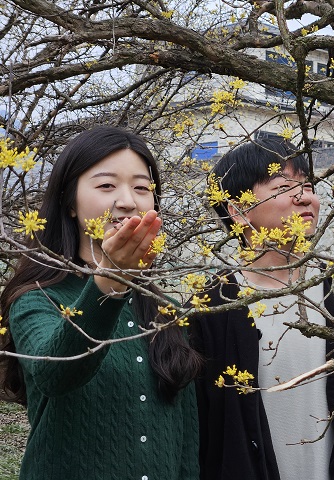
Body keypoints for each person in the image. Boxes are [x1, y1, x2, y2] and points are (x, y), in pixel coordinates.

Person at [189, 138, 334, 480]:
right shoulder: (210, 309)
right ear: (238, 211)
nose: (305, 197)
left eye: (308, 186)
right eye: (284, 187)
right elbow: (200, 434)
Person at [0, 126, 201, 480]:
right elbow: (56, 372)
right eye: (106, 185)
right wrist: (108, 280)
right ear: (70, 203)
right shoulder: (35, 297)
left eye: (142, 188)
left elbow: (184, 439)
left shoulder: (164, 308)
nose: (127, 201)